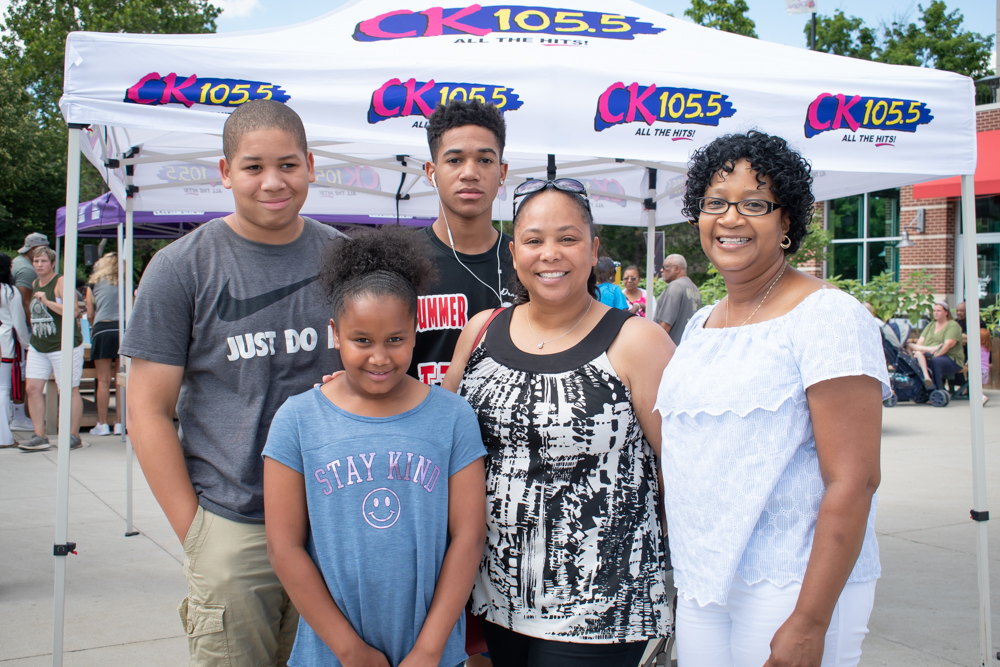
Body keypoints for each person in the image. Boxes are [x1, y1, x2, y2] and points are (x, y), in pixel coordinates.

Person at [122, 99, 345, 667]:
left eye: (288, 165)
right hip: (233, 523)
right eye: (253, 166)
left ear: (310, 166)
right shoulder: (181, 267)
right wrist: (196, 534)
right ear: (225, 172)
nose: (273, 181)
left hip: (335, 520)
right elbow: (147, 411)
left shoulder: (346, 259)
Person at [656, 131, 889, 667]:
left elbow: (855, 480)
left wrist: (809, 623)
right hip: (704, 579)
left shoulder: (828, 316)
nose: (730, 219)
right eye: (716, 203)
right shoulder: (702, 324)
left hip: (790, 580)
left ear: (787, 222)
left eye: (754, 204)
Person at [443, 178, 673, 666]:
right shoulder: (481, 330)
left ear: (593, 250)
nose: (550, 253)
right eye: (534, 240)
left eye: (568, 238)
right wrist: (360, 394)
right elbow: (436, 435)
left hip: (601, 606)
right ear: (514, 253)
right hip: (496, 594)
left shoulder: (637, 341)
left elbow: (683, 468)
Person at [263, 227, 486, 667]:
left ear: (415, 331)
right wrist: (350, 651)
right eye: (362, 340)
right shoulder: (297, 420)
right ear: (335, 333)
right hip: (330, 655)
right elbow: (283, 548)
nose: (379, 357)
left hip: (432, 653)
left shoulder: (453, 417)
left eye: (395, 340)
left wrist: (429, 650)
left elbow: (469, 536)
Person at [412, 99, 516, 386]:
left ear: (502, 172)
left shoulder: (527, 263)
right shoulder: (399, 263)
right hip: (419, 415)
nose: (470, 173)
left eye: (485, 160)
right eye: (455, 160)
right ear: (431, 172)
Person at [19, 246, 84, 452]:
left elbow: (73, 311)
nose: (39, 265)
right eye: (36, 261)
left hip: (63, 345)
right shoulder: (35, 283)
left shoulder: (61, 282)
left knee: (68, 389)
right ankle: (40, 435)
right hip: (39, 344)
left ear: (53, 263)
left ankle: (73, 435)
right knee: (32, 389)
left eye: (43, 261)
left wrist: (47, 301)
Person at [85, 252, 121, 436]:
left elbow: (90, 312)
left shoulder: (94, 283)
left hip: (102, 328)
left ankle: (102, 423)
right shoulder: (125, 282)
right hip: (122, 330)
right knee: (121, 380)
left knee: (103, 381)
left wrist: (93, 327)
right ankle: (120, 423)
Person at [0, 253, 31, 448]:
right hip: (5, 342)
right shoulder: (10, 292)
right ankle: (3, 437)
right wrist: (27, 344)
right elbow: (18, 322)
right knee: (3, 389)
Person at [906, 302, 964, 391]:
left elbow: (948, 345)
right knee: (913, 358)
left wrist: (935, 355)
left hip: (950, 358)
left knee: (934, 361)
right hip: (928, 354)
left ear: (946, 312)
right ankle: (918, 390)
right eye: (934, 311)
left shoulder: (952, 325)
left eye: (939, 311)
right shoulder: (931, 325)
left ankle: (934, 390)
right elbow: (920, 342)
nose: (936, 313)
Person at [653, 254, 702, 346]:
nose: (662, 270)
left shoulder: (675, 286)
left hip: (672, 347)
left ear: (677, 269)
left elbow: (666, 323)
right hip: (688, 345)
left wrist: (654, 344)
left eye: (665, 267)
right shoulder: (694, 288)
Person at [12, 232, 48, 318]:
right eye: (44, 249)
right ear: (33, 249)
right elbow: (24, 302)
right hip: (21, 321)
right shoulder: (27, 269)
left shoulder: (17, 260)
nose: (47, 252)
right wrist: (32, 324)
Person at [980, 328, 991, 406]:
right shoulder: (986, 348)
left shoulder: (978, 348)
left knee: (976, 386)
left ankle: (982, 397)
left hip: (979, 370)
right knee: (980, 386)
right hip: (985, 370)